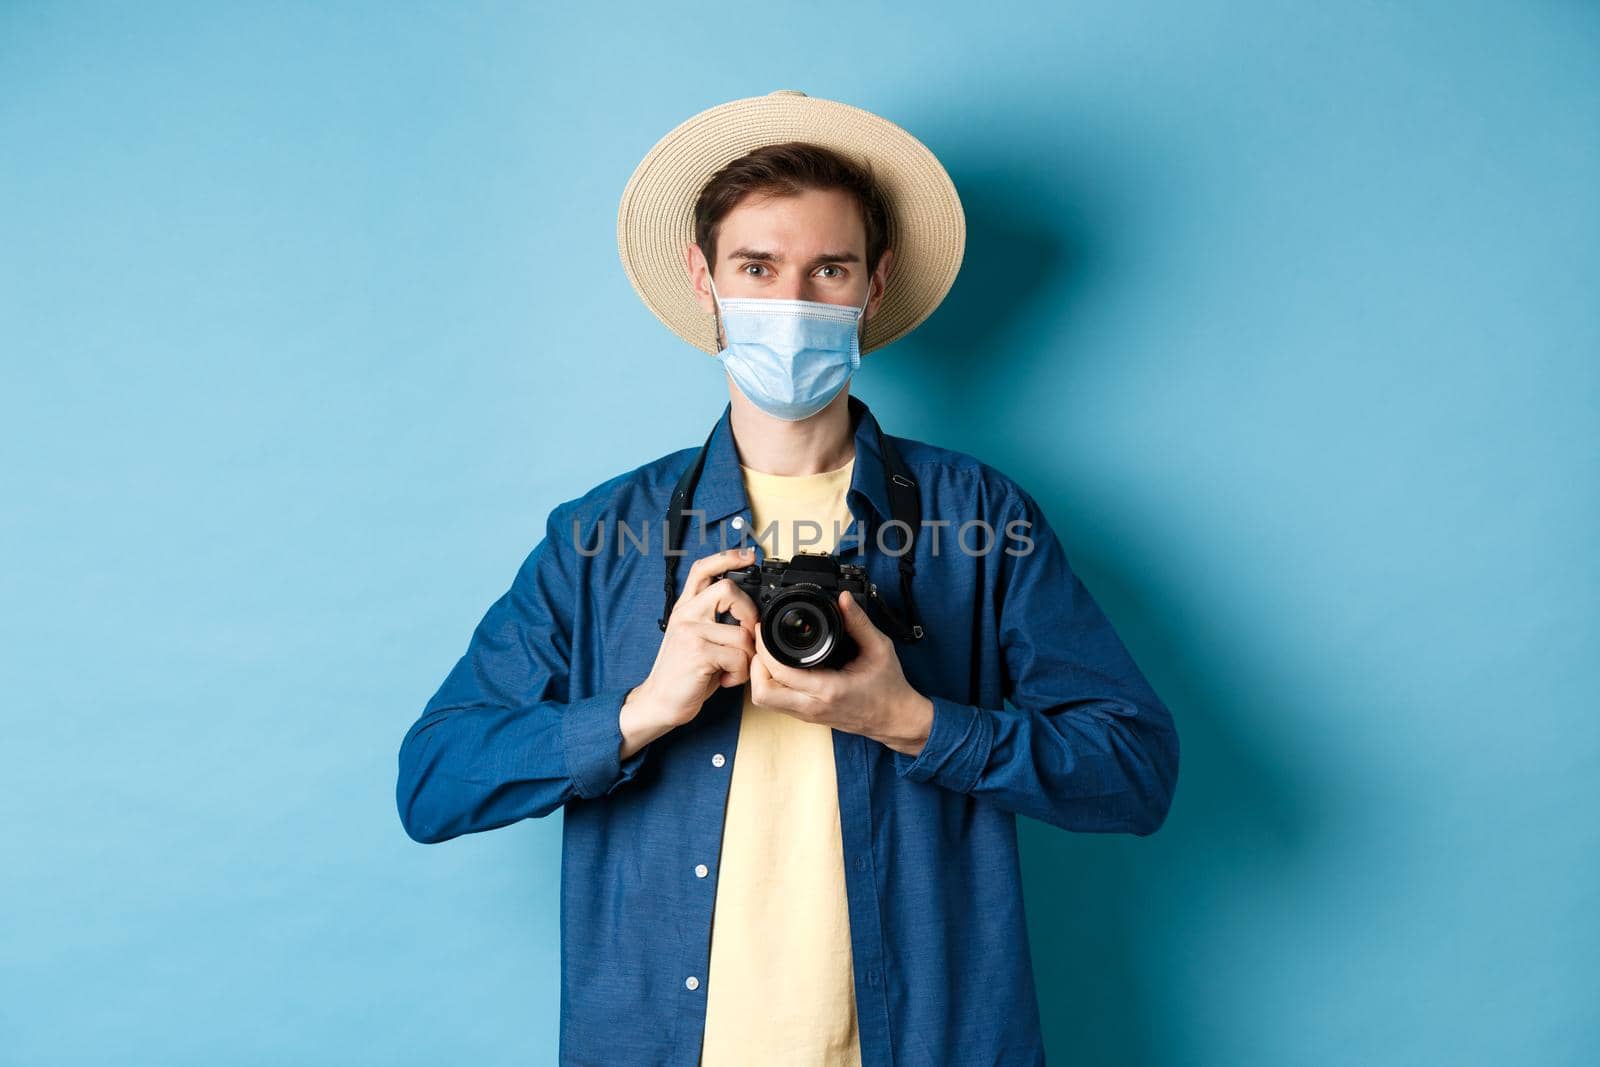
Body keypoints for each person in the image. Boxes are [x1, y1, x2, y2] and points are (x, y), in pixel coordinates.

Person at [396, 90, 1180, 1067]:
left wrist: (912, 719)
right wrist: (642, 708)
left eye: (828, 269)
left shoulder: (979, 520)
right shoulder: (605, 536)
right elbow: (433, 782)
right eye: (758, 268)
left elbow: (1136, 771)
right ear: (704, 278)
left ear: (874, 283)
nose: (793, 303)